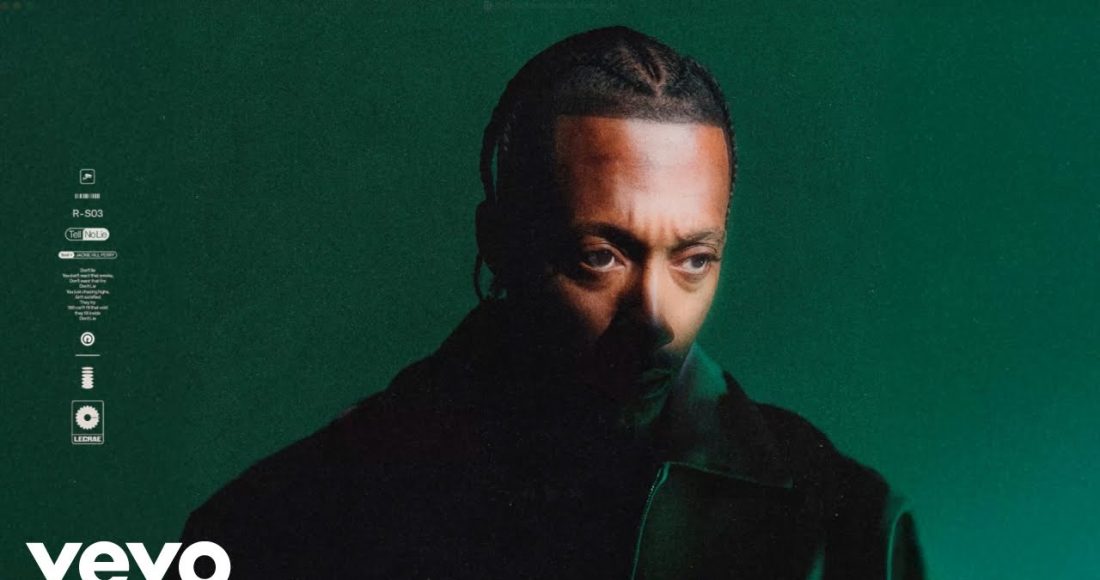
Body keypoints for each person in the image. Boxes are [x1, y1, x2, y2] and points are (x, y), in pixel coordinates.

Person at [177, 26, 925, 579]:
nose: (655, 317)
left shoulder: (847, 527)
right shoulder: (288, 519)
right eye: (600, 256)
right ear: (500, 244)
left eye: (693, 259)